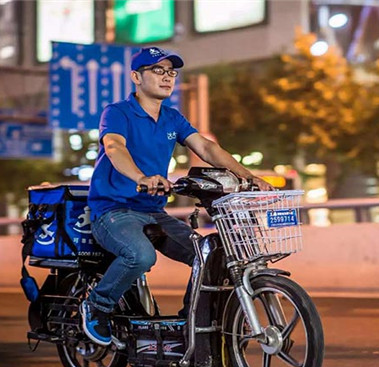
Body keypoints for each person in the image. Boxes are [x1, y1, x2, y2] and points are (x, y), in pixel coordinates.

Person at [81, 46, 273, 346]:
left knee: (208, 256)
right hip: (113, 210)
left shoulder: (172, 118)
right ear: (136, 76)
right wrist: (141, 178)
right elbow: (114, 147)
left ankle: (189, 323)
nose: (167, 77)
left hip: (153, 211)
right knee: (140, 256)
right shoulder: (117, 112)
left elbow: (207, 148)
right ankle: (97, 305)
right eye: (158, 71)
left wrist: (247, 175)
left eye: (171, 72)